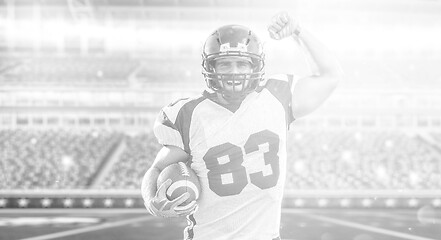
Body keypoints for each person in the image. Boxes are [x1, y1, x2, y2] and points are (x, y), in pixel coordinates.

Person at [141, 11, 343, 240]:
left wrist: (298, 31)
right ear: (211, 67)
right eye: (225, 64)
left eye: (242, 63)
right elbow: (156, 169)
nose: (234, 72)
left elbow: (330, 75)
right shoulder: (188, 114)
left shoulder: (277, 97)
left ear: (255, 65)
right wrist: (151, 199)